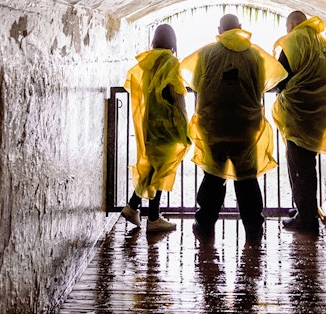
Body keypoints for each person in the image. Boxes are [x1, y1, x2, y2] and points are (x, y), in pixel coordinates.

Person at [181, 13, 287, 241]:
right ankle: (253, 228)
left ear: (219, 30)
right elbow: (260, 86)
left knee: (213, 178)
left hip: (213, 126)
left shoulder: (206, 54)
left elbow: (198, 83)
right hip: (245, 127)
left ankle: (205, 224)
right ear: (240, 28)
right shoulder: (255, 55)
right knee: (247, 179)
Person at [272, 11, 326, 232]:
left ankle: (306, 219)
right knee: (307, 165)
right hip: (320, 115)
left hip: (299, 114)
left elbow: (279, 78)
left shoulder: (294, 41)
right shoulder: (323, 43)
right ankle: (305, 210)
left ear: (292, 24)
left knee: (299, 166)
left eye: (287, 27)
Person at [121, 24, 191, 232]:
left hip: (150, 121)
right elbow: (176, 91)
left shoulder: (147, 62)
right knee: (160, 169)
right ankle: (152, 217)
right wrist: (184, 117)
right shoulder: (170, 62)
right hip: (167, 122)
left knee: (153, 167)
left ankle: (134, 208)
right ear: (172, 42)